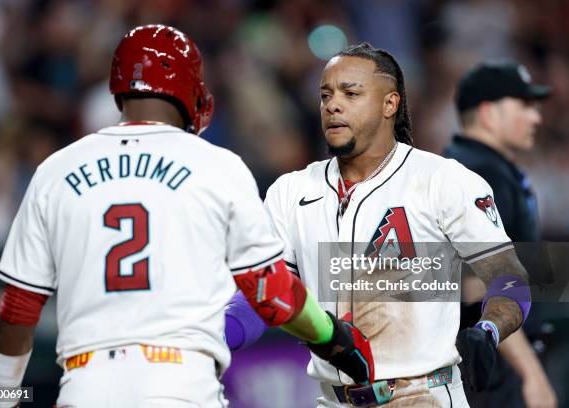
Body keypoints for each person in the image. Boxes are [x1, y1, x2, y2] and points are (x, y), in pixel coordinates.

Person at [0, 25, 374, 408]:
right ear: (192, 92)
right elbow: (270, 292)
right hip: (180, 383)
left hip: (85, 384)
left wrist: (1, 400)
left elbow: (19, 308)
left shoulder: (56, 169)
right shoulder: (217, 165)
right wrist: (331, 337)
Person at [225, 42, 532, 407]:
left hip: (423, 395)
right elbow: (262, 294)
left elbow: (510, 277)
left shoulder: (442, 180)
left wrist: (489, 330)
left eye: (350, 93)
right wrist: (216, 334)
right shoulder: (289, 191)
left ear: (390, 104)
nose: (332, 105)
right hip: (332, 400)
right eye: (325, 95)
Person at [444, 60, 557, 408]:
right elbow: (480, 285)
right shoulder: (477, 174)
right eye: (524, 105)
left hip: (492, 362)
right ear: (489, 113)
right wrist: (531, 373)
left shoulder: (482, 166)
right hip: (490, 369)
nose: (536, 117)